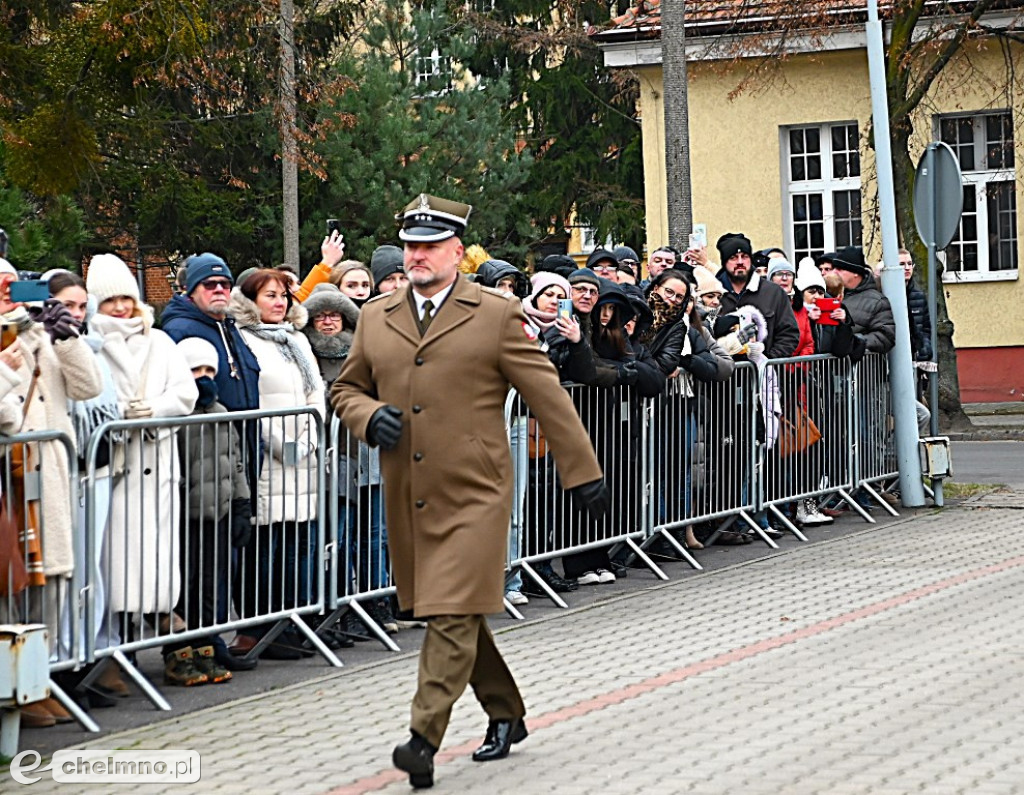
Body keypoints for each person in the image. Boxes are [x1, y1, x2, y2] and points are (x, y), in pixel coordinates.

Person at [331, 193, 607, 789]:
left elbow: (546, 394)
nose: (418, 256)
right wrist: (366, 414)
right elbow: (345, 389)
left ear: (457, 252)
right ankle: (507, 713)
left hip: (477, 490)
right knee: (455, 613)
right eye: (410, 246)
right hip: (410, 491)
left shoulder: (494, 314)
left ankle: (422, 737)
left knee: (451, 611)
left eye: (430, 246)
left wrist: (581, 471)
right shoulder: (377, 315)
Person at [0, 261, 102, 727]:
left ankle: (39, 680)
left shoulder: (41, 334)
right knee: (10, 584)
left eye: (11, 285)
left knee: (54, 580)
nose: (9, 294)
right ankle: (13, 686)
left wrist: (66, 338)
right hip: (11, 481)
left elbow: (89, 387)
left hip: (51, 478)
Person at [86, 254, 198, 646]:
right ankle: (118, 646)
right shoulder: (92, 346)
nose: (120, 307)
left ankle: (153, 628)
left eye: (125, 298)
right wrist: (119, 417)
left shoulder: (161, 341)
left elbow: (185, 393)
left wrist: (152, 411)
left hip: (158, 462)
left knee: (156, 556)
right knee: (117, 559)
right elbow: (87, 401)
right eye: (109, 300)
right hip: (118, 466)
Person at [160, 253, 261, 672]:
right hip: (194, 467)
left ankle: (214, 636)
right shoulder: (181, 330)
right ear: (191, 290)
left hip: (229, 460)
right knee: (194, 566)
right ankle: (191, 643)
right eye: (210, 285)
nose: (219, 291)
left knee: (221, 562)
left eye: (225, 284)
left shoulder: (227, 325)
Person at [228, 269, 325, 660]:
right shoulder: (243, 339)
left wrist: (309, 438)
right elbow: (254, 399)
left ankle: (291, 625)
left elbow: (315, 391)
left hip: (304, 457)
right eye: (270, 295)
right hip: (269, 459)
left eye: (284, 295)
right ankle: (258, 628)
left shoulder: (297, 339)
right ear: (251, 300)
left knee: (297, 545)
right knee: (265, 546)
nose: (280, 302)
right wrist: (277, 442)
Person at [162, 337, 251, 687]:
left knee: (212, 585)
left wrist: (242, 505)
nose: (203, 377)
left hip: (219, 514)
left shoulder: (221, 413)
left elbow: (236, 463)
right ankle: (178, 652)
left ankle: (205, 646)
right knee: (184, 586)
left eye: (209, 370)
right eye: (194, 370)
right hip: (185, 517)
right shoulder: (178, 416)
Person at [715, 233, 800, 359]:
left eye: (744, 256)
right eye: (733, 257)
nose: (740, 262)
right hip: (723, 374)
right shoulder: (713, 293)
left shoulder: (774, 292)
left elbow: (789, 334)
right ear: (724, 261)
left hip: (765, 374)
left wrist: (768, 360)